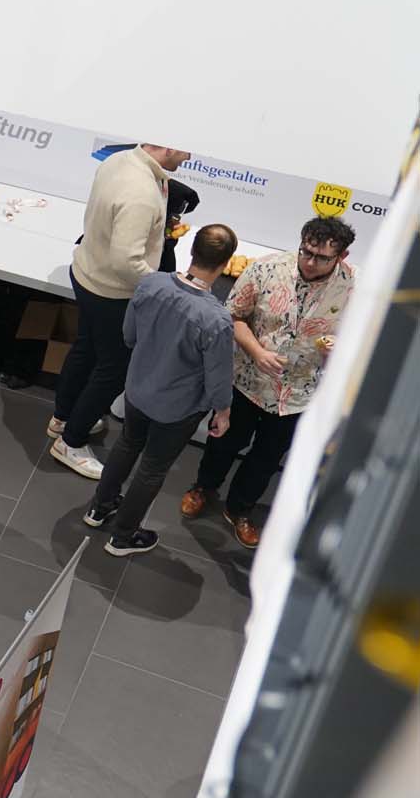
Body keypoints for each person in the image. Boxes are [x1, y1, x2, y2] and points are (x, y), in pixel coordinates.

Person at [182, 216, 356, 548]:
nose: (309, 261)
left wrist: (340, 352)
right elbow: (233, 316)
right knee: (224, 443)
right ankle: (203, 487)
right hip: (247, 380)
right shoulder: (267, 269)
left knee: (265, 458)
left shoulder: (354, 289)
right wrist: (257, 351)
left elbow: (357, 339)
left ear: (342, 257)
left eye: (321, 258)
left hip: (299, 394)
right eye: (306, 251)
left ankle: (239, 509)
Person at [82, 224, 238, 557]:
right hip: (177, 407)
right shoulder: (216, 319)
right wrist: (222, 411)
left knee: (126, 444)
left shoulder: (151, 283)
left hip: (138, 388)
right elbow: (218, 376)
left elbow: (129, 335)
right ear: (226, 264)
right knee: (152, 468)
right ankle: (123, 537)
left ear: (192, 250)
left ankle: (99, 508)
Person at [48, 143, 191, 479]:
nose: (189, 158)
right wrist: (162, 286)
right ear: (168, 146)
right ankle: (71, 441)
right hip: (112, 292)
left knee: (86, 348)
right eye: (186, 150)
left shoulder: (119, 160)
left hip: (87, 272)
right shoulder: (140, 193)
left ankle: (62, 418)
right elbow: (126, 261)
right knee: (114, 368)